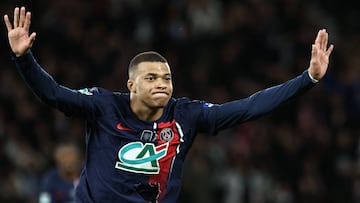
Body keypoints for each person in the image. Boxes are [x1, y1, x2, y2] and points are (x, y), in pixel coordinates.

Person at [4, 6, 334, 203]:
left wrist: (308, 78)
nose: (162, 83)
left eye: (166, 77)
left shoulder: (185, 116)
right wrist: (24, 59)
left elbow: (248, 108)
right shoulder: (103, 106)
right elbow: (53, 93)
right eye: (151, 78)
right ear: (131, 85)